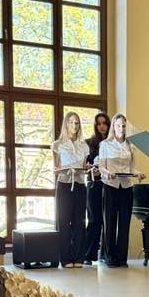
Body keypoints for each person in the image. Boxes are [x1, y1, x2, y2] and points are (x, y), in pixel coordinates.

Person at [98, 114, 137, 268]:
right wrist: (108, 173)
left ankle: (122, 258)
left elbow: (132, 169)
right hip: (110, 186)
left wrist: (138, 174)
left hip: (126, 187)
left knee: (124, 223)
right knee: (109, 222)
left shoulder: (130, 146)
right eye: (118, 125)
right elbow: (101, 166)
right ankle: (109, 257)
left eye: (124, 126)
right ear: (113, 127)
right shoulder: (105, 145)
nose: (121, 128)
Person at [53, 113, 90, 268]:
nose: (74, 126)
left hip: (80, 184)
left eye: (77, 123)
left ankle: (79, 257)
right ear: (66, 124)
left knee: (79, 222)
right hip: (64, 184)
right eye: (71, 122)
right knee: (64, 221)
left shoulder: (84, 146)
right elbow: (56, 168)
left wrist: (87, 167)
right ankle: (65, 258)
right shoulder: (58, 144)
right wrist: (65, 170)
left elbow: (83, 166)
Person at [83, 112, 110, 266]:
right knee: (94, 220)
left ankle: (106, 255)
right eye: (99, 123)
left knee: (109, 221)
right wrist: (91, 167)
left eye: (104, 123)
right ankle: (88, 255)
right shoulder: (88, 143)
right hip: (94, 184)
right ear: (95, 126)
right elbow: (83, 166)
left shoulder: (113, 143)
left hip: (110, 184)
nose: (102, 126)